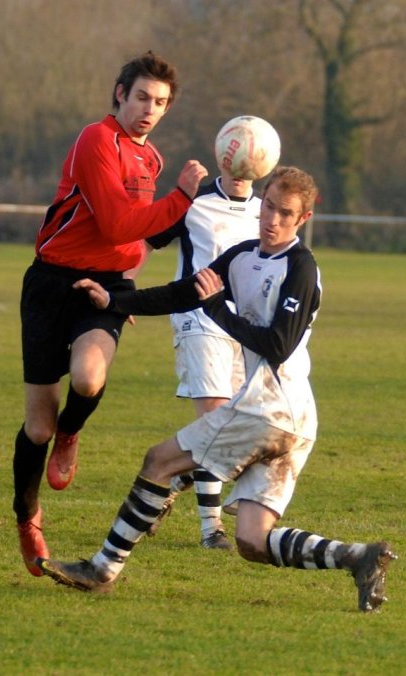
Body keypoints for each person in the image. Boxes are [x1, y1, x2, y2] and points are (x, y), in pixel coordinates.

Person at [37, 166, 397, 612]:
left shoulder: (300, 268)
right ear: (260, 201)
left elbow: (278, 346)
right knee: (251, 540)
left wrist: (217, 310)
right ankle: (358, 557)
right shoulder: (243, 256)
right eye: (268, 207)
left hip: (273, 410)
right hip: (286, 417)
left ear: (302, 220)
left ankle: (102, 568)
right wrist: (115, 301)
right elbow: (184, 292)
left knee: (159, 460)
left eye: (286, 214)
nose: (273, 220)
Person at [14, 50, 208, 578]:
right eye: (142, 96)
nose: (150, 108)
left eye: (161, 102)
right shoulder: (95, 140)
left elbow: (146, 234)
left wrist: (203, 201)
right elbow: (121, 223)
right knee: (36, 428)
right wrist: (182, 197)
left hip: (106, 289)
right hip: (52, 283)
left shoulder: (152, 159)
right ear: (120, 94)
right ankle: (27, 517)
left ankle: (71, 434)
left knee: (89, 376)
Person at [144, 164, 261, 549]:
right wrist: (119, 292)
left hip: (242, 327)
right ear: (222, 160)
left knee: (238, 427)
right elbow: (146, 241)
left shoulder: (266, 211)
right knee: (214, 419)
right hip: (197, 319)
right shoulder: (195, 202)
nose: (242, 169)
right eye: (234, 160)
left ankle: (176, 478)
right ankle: (212, 529)